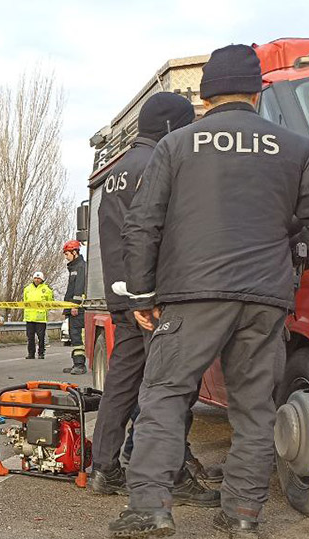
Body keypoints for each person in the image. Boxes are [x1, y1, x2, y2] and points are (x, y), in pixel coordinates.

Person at [111, 44, 309, 539]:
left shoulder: (177, 145)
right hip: (265, 297)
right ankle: (242, 515)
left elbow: (141, 224)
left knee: (165, 395)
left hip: (192, 294)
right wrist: (292, 261)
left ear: (206, 93)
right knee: (255, 407)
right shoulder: (296, 148)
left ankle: (149, 507)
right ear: (257, 90)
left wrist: (143, 295)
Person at [87, 91, 218, 508]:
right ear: (169, 128)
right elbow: (160, 233)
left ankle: (104, 468)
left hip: (121, 295)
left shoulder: (118, 170)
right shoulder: (160, 165)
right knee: (170, 387)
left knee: (122, 384)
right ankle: (172, 473)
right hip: (154, 297)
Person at [61, 240, 86, 375]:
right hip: (72, 308)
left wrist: (75, 306)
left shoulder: (81, 267)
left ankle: (80, 365)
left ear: (75, 252)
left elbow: (79, 288)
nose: (66, 257)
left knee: (76, 336)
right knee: (73, 335)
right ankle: (76, 363)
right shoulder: (74, 268)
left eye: (67, 254)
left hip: (78, 309)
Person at [22, 271, 53, 359]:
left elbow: (50, 302)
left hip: (40, 317)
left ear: (42, 279)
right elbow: (25, 301)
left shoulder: (47, 290)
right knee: (30, 337)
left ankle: (41, 353)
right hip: (29, 317)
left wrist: (45, 310)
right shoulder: (27, 289)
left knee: (41, 337)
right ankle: (31, 354)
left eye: (38, 278)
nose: (37, 280)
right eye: (35, 278)